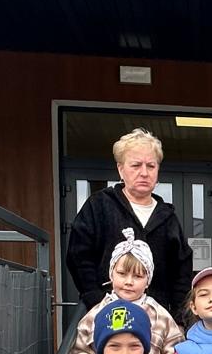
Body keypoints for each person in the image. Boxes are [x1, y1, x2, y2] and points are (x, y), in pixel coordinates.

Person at [66, 128, 194, 314]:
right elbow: (79, 257)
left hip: (156, 318)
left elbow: (181, 272)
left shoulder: (168, 217)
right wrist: (96, 301)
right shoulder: (99, 205)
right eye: (136, 165)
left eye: (151, 166)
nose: (144, 173)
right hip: (106, 314)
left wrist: (178, 318)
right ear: (120, 169)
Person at [68, 228, 185, 354]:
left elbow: (176, 353)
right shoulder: (96, 314)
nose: (129, 282)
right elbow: (78, 352)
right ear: (111, 274)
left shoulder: (160, 316)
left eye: (138, 276)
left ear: (148, 281)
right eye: (122, 274)